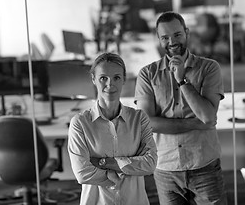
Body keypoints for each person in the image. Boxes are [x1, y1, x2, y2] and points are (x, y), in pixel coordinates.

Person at [134, 11, 227, 204]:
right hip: (166, 167)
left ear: (187, 33)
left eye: (177, 35)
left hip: (204, 164)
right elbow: (147, 124)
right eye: (165, 37)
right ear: (158, 39)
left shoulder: (209, 68)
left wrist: (182, 80)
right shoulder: (147, 74)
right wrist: (195, 123)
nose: (172, 42)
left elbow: (208, 117)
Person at [68, 52, 157, 205]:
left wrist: (102, 163)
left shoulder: (139, 119)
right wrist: (130, 165)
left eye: (116, 77)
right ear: (93, 80)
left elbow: (150, 164)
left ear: (124, 80)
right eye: (103, 78)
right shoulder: (80, 123)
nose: (110, 84)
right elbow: (82, 173)